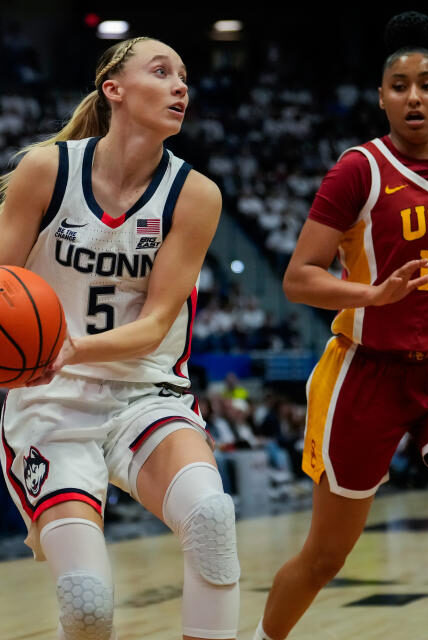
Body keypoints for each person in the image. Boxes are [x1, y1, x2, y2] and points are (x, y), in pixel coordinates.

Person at [253, 11, 428, 640]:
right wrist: (371, 294)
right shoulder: (359, 171)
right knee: (326, 558)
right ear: (381, 97)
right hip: (367, 376)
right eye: (399, 85)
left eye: (427, 84)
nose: (414, 96)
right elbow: (300, 276)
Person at [0, 37, 239, 640]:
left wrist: (73, 346)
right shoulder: (47, 171)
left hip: (147, 393)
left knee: (211, 518)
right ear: (115, 89)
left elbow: (157, 324)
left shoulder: (196, 194)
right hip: (51, 401)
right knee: (88, 606)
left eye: (184, 77)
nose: (181, 86)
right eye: (162, 72)